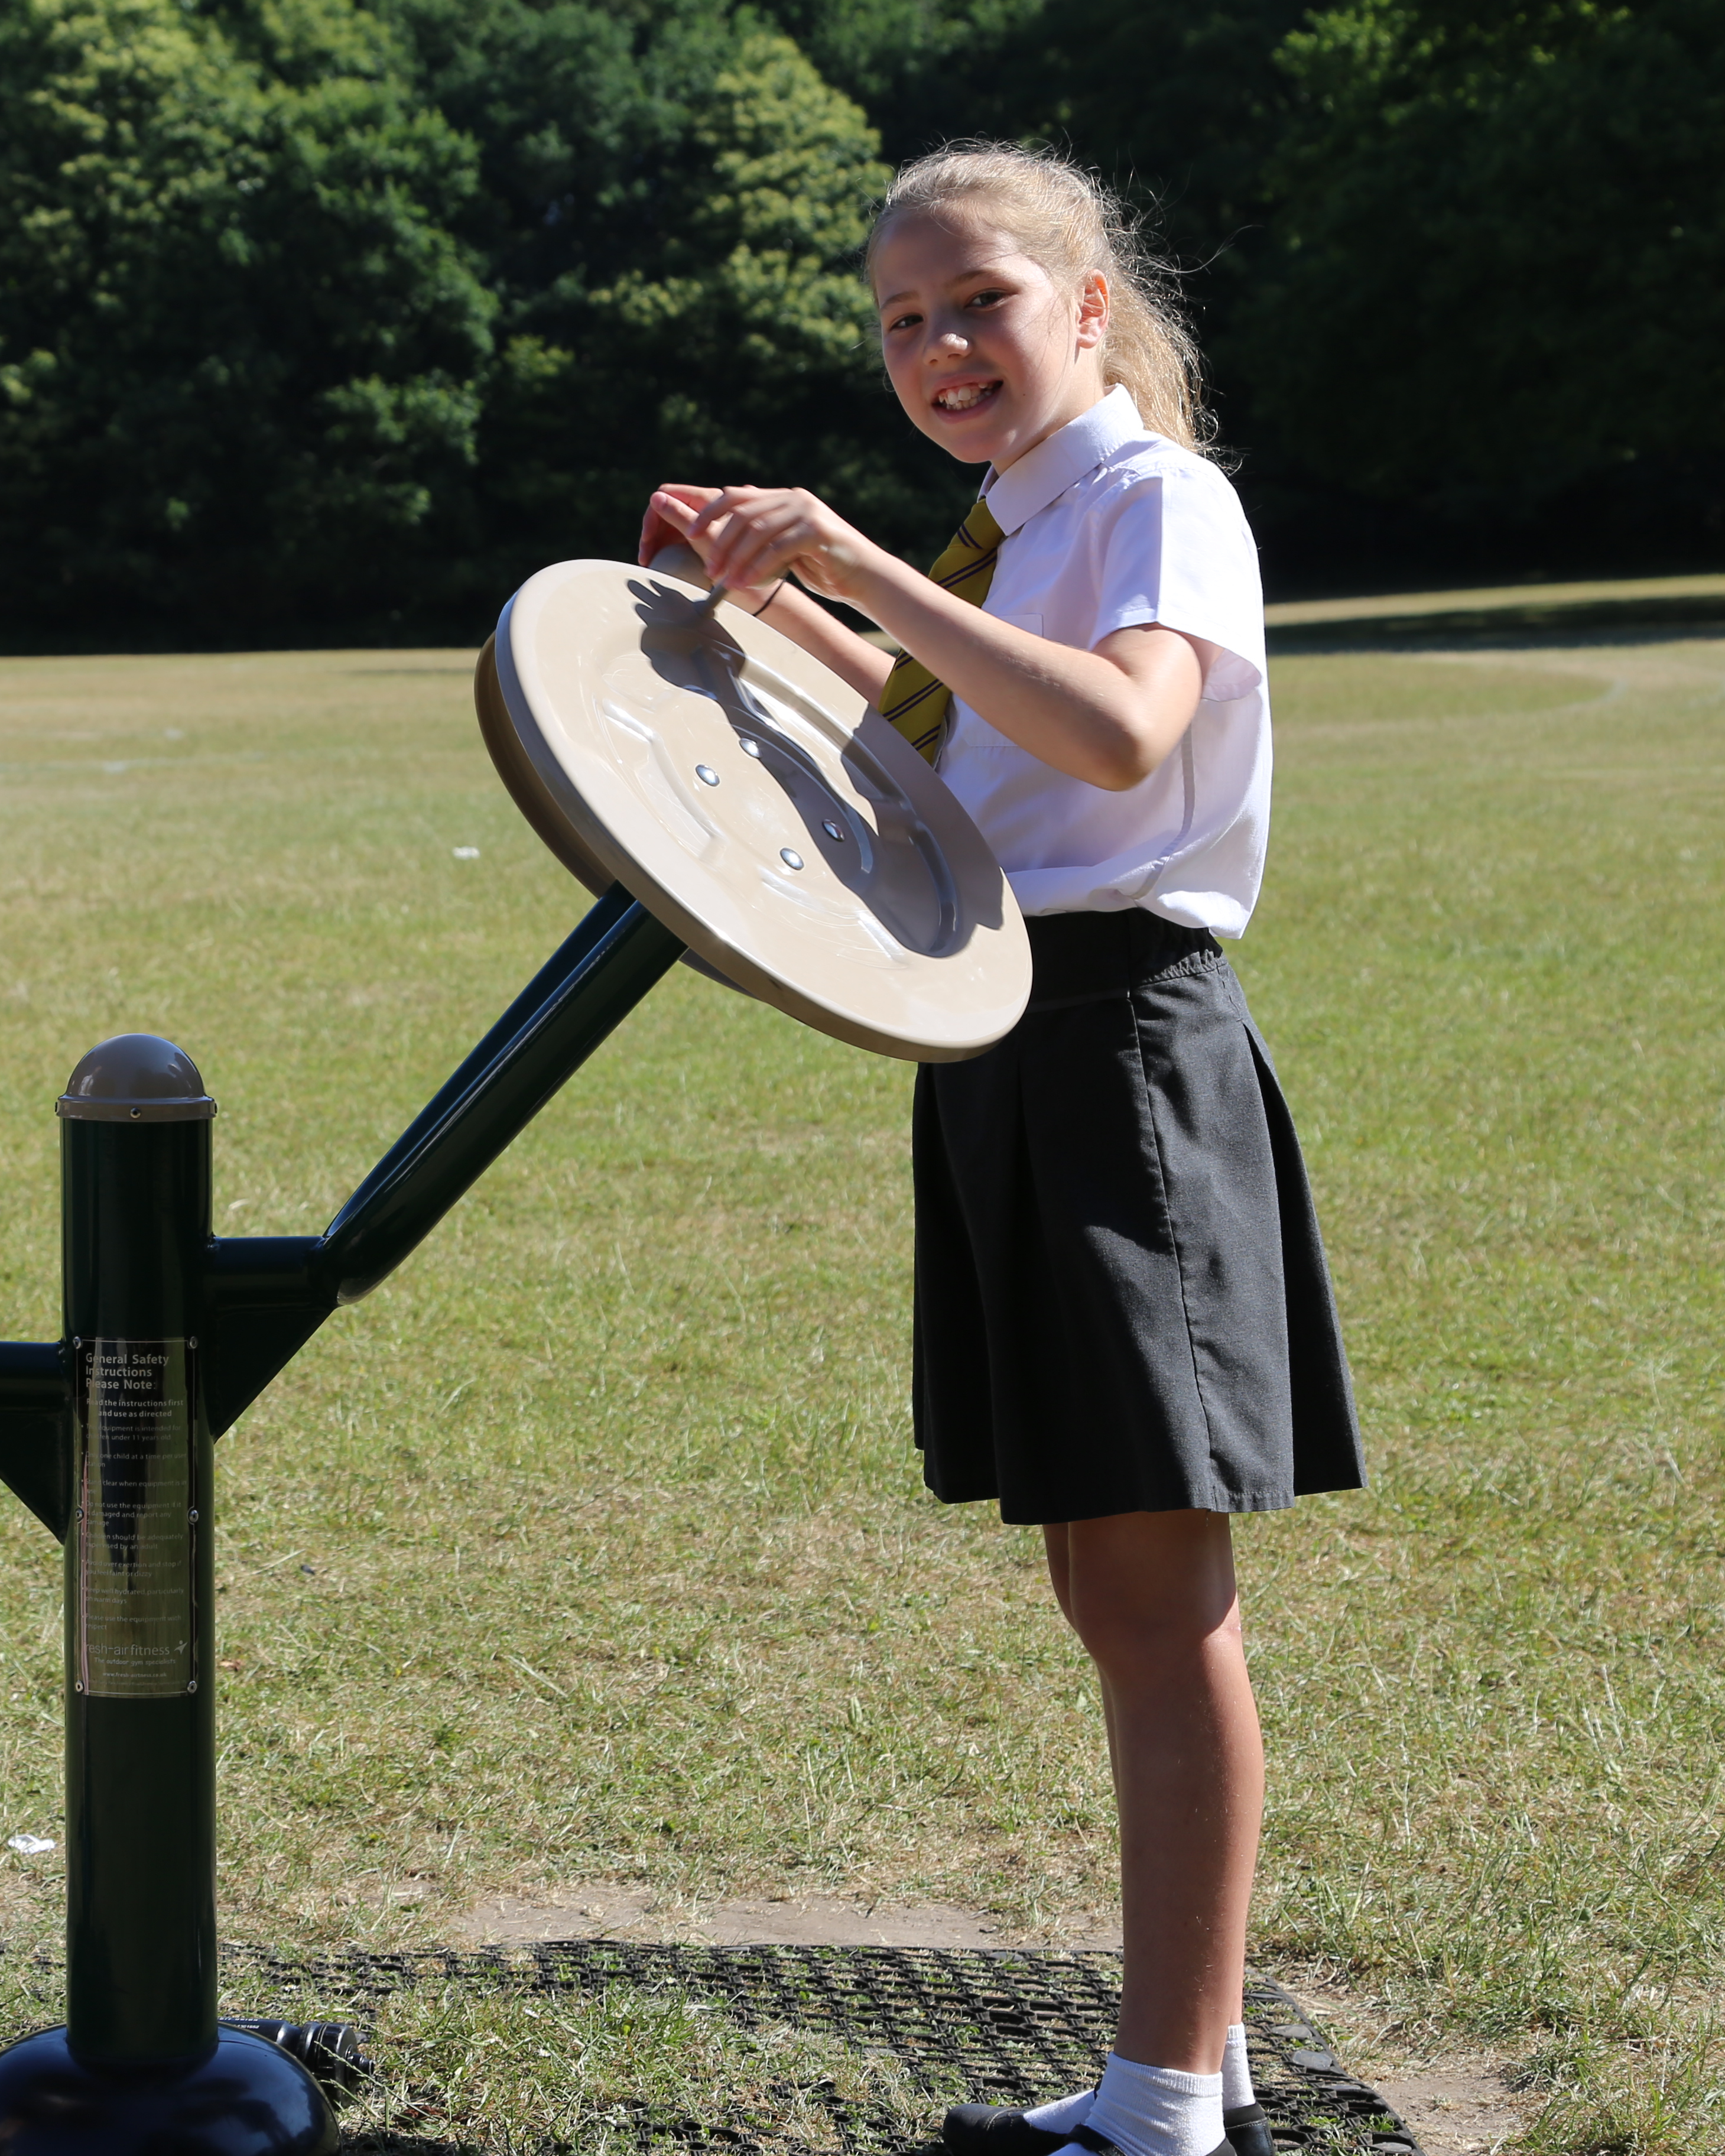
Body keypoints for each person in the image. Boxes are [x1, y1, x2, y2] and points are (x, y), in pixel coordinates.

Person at [638, 142, 1363, 2156]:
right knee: (1109, 1582)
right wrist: (778, 599)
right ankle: (1175, 2083)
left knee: (1154, 1595)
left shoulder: (1153, 500)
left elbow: (1120, 737)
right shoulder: (1014, 521)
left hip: (1118, 1042)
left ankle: (1165, 2111)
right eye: (902, 322)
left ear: (1088, 309)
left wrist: (859, 561)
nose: (941, 346)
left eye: (979, 304)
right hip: (1012, 1040)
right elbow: (949, 745)